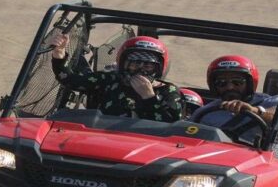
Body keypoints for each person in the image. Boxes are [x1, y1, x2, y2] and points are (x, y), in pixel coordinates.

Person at [50, 32, 183, 122]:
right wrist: (59, 54)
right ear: (123, 63)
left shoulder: (169, 92)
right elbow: (70, 80)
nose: (140, 71)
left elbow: (173, 126)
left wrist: (149, 97)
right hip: (102, 139)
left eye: (148, 66)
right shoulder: (109, 80)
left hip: (147, 148)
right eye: (134, 64)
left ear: (158, 68)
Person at [191, 55, 278, 161]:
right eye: (221, 83)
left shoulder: (273, 101)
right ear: (214, 86)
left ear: (250, 83)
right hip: (214, 166)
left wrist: (254, 110)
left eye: (237, 82)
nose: (229, 87)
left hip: (265, 167)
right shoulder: (203, 113)